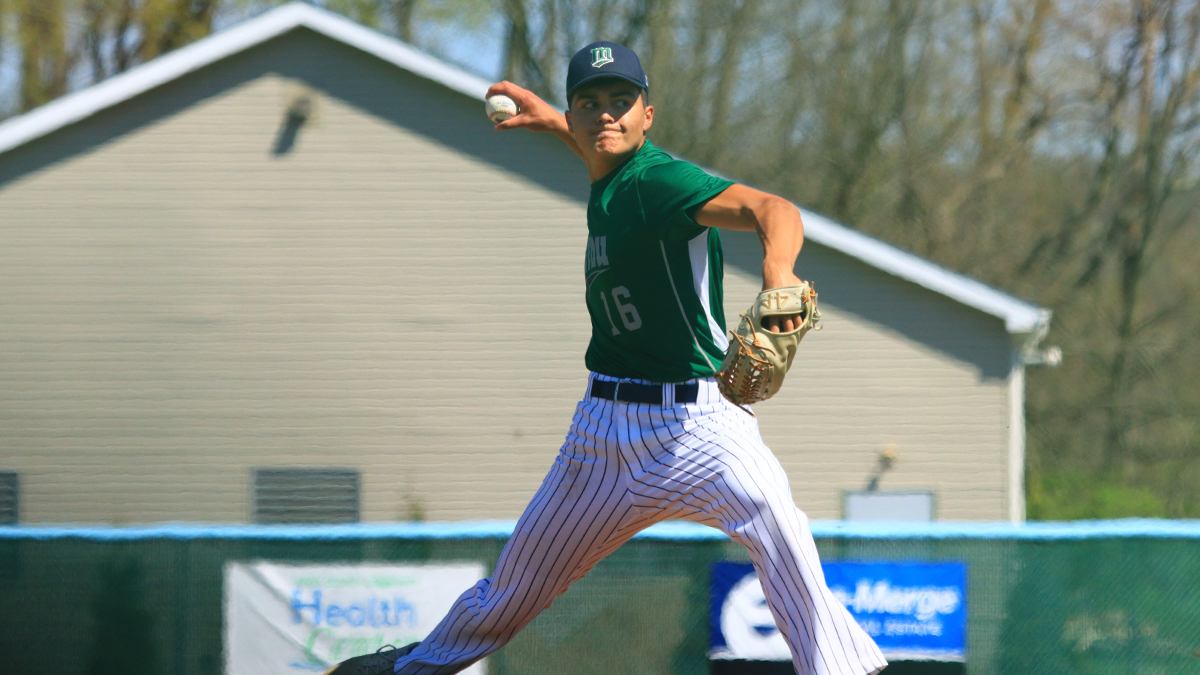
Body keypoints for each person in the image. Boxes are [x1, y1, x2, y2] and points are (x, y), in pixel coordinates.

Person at [327, 41, 886, 675]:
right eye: (589, 103)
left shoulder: (661, 181)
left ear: (649, 114)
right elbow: (600, 150)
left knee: (779, 528)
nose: (606, 116)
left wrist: (778, 266)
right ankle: (408, 671)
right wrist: (552, 122)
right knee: (513, 590)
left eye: (623, 101)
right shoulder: (611, 175)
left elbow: (771, 209)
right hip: (601, 435)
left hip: (699, 428)